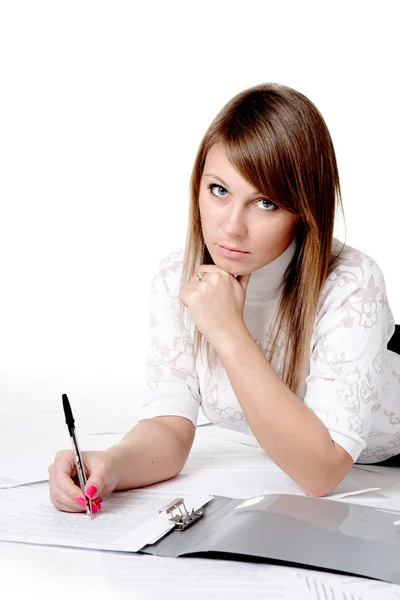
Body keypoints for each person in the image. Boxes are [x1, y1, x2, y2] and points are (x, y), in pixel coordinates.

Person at [49, 82, 400, 514]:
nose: (232, 227)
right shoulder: (177, 278)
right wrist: (111, 465)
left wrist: (229, 331)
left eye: (266, 202)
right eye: (219, 190)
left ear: (303, 211)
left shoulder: (351, 282)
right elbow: (170, 425)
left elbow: (320, 473)